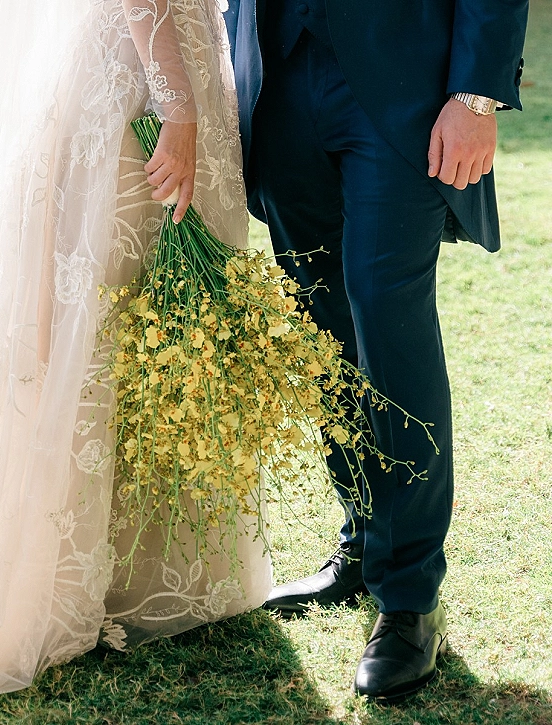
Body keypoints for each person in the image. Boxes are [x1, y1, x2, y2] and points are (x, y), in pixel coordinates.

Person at [224, 0, 529, 701]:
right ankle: (363, 538)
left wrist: (475, 93)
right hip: (277, 75)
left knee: (386, 315)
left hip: (405, 85)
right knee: (317, 320)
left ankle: (411, 595)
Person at [0, 0, 271, 695]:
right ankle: (86, 572)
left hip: (157, 53)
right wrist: (177, 105)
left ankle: (129, 568)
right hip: (145, 71)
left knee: (134, 317)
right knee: (116, 309)